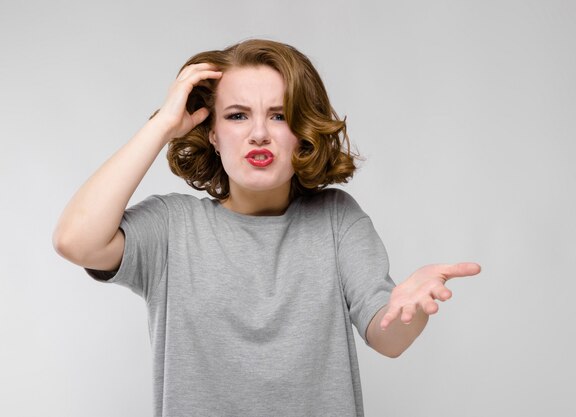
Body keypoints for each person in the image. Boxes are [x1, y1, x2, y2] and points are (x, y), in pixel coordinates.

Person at [53, 39, 481, 417]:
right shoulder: (171, 227)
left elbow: (390, 340)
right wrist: (162, 124)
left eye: (279, 116)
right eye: (237, 116)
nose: (259, 133)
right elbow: (76, 241)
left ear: (302, 132)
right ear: (213, 132)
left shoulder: (337, 219)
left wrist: (412, 307)